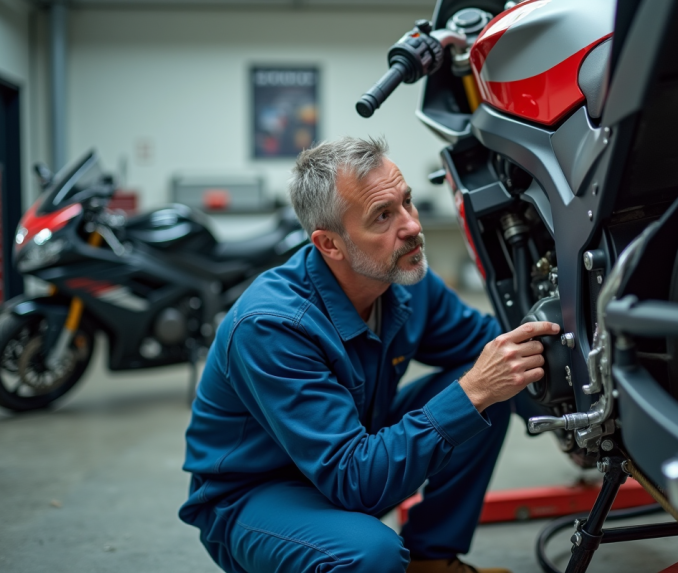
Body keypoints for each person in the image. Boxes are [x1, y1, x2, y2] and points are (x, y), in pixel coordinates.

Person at [180, 136, 557, 573]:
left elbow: (500, 349)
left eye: (406, 202)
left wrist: (573, 403)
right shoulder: (272, 326)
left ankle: (431, 561)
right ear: (330, 244)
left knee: (493, 379)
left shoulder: (404, 279)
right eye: (383, 215)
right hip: (257, 497)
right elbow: (352, 480)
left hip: (353, 457)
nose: (412, 225)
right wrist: (472, 393)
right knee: (370, 556)